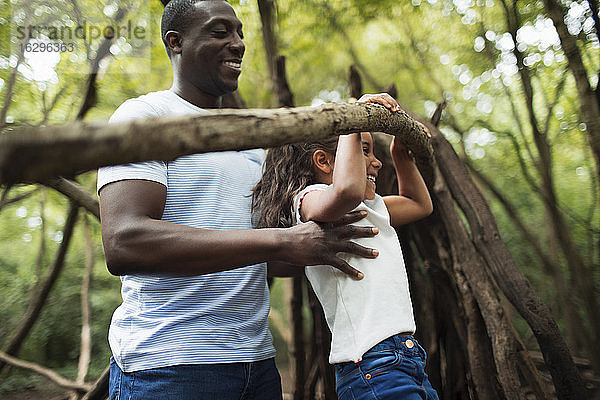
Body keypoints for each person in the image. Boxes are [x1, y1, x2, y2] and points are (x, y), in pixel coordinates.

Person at [97, 1, 381, 399]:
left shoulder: (252, 140)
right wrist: (283, 241)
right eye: (219, 32)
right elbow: (124, 243)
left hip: (256, 365)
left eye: (240, 33)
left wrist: (326, 245)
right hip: (171, 364)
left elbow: (266, 258)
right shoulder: (145, 116)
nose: (238, 44)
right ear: (175, 43)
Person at [252, 93, 439, 400]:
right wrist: (354, 118)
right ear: (324, 161)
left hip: (406, 357)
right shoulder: (309, 199)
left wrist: (402, 155)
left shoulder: (373, 205)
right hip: (371, 363)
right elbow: (347, 190)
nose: (377, 162)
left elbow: (420, 204)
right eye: (364, 149)